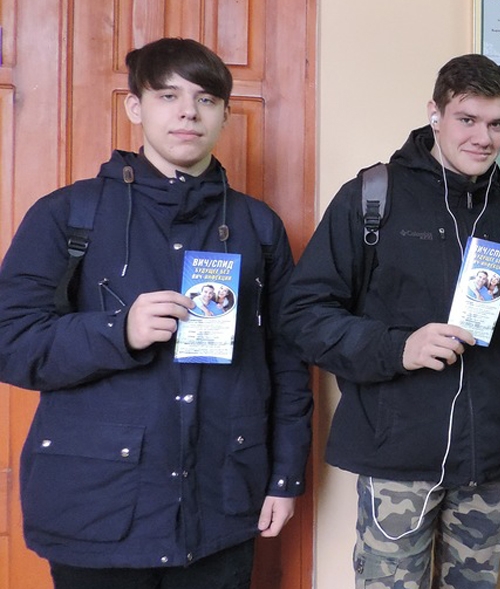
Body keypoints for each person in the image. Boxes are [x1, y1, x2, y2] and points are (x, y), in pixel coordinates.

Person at [0, 37, 312, 588]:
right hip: (97, 513)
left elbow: (287, 362)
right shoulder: (67, 214)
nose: (188, 112)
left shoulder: (259, 227)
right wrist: (118, 331)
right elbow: (11, 341)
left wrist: (285, 478)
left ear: (224, 115)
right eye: (168, 96)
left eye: (206, 99)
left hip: (221, 509)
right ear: (135, 107)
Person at [279, 54, 500, 589]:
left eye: (497, 124)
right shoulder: (373, 198)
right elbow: (302, 315)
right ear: (435, 114)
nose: (483, 138)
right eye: (467, 120)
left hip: (489, 466)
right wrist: (398, 347)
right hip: (396, 464)